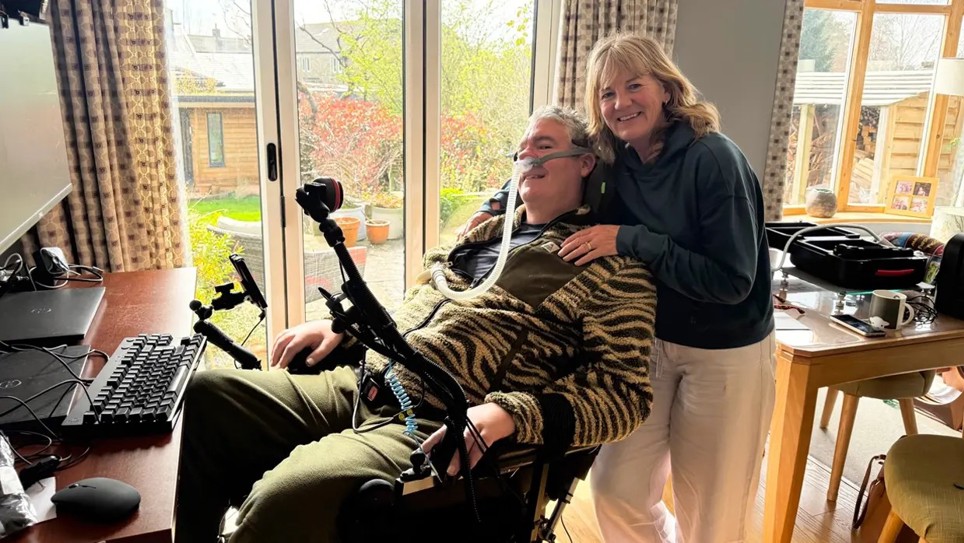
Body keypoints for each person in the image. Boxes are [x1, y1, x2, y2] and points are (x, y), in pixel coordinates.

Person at [175, 106, 658, 543]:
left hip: (434, 425)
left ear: (585, 162)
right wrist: (344, 326)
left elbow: (625, 395)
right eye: (523, 148)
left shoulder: (611, 269)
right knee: (207, 396)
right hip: (365, 385)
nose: (527, 156)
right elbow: (422, 308)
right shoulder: (481, 238)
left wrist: (511, 414)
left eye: (544, 146)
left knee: (283, 497)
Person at [461, 34, 776, 543]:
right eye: (607, 93)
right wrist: (498, 206)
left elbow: (733, 281)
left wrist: (632, 240)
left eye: (635, 86)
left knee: (713, 512)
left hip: (725, 350)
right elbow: (546, 153)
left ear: (667, 89)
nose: (621, 103)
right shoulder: (614, 156)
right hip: (648, 340)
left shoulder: (714, 159)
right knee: (616, 489)